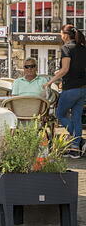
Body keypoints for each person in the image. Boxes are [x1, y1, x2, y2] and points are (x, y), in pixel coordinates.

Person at [44, 24, 86, 158]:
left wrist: (50, 82)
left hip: (71, 89)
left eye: (61, 33)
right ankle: (75, 149)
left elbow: (65, 69)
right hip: (83, 89)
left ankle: (77, 139)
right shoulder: (83, 48)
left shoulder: (66, 48)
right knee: (76, 118)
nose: (60, 36)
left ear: (66, 35)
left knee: (60, 114)